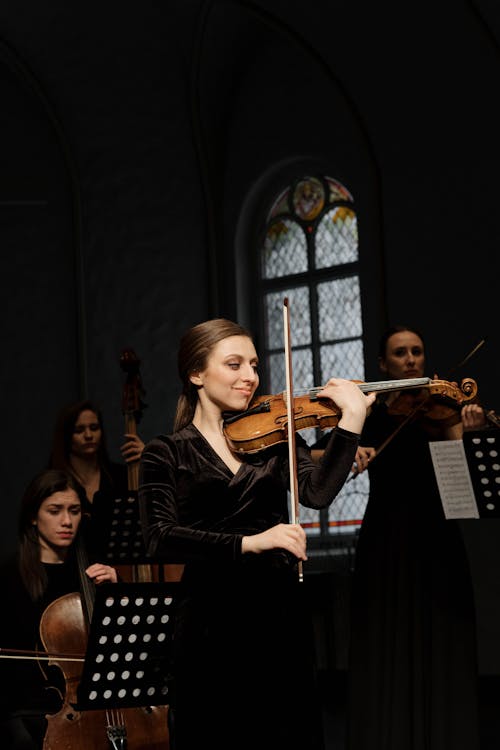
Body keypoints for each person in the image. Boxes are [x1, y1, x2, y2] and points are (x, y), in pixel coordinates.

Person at [138, 317, 375, 750]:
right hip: (210, 618)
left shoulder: (275, 438)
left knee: (284, 733)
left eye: (253, 364)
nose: (250, 376)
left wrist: (351, 419)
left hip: (276, 611)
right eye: (233, 365)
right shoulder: (166, 452)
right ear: (196, 374)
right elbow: (158, 536)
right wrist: (251, 542)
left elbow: (318, 492)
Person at [345, 325, 486, 750]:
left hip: (437, 537)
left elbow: (463, 482)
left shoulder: (441, 408)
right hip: (386, 538)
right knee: (388, 640)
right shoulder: (369, 416)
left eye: (417, 352)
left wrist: (468, 431)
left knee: (441, 637)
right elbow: (322, 458)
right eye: (400, 353)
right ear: (383, 365)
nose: (410, 360)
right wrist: (349, 451)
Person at [0, 468, 118, 749]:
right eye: (55, 511)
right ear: (33, 516)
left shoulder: (92, 573)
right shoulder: (9, 577)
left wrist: (116, 593)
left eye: (75, 511)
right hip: (31, 712)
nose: (67, 521)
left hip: (95, 706)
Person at [48, 399, 144, 510]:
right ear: (66, 435)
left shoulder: (119, 475)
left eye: (94, 428)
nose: (88, 435)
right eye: (79, 430)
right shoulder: (54, 481)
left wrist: (149, 458)